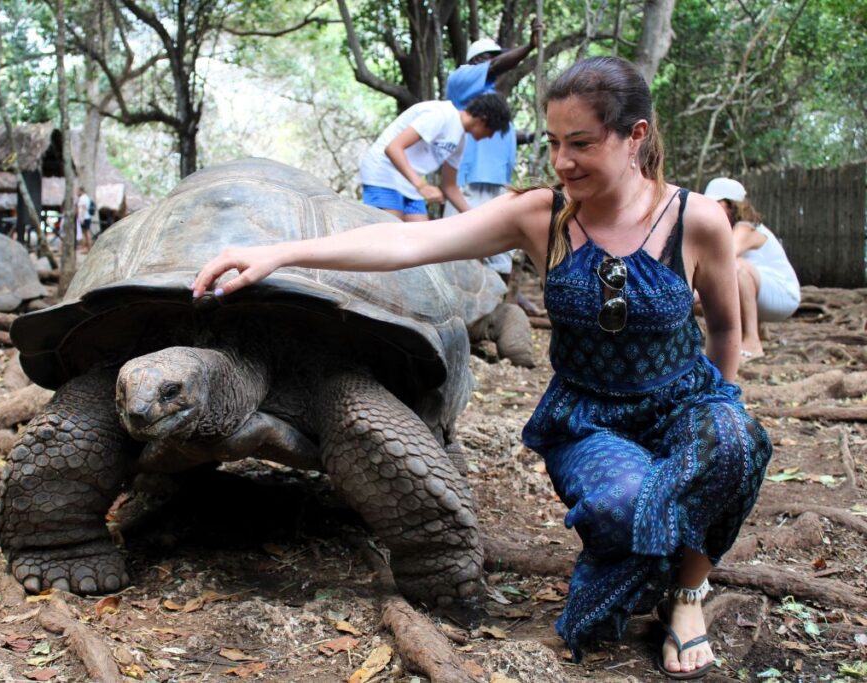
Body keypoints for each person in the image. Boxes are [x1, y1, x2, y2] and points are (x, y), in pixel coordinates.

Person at [193, 56, 771, 679]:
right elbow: (408, 243)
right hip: (590, 417)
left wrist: (720, 411)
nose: (561, 161)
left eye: (580, 143)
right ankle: (646, 560)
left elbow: (726, 328)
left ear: (635, 136)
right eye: (552, 142)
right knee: (622, 506)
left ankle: (686, 597)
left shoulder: (698, 219)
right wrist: (281, 252)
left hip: (684, 398)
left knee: (733, 445)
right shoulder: (540, 215)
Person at [444, 23, 541, 273]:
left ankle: (499, 302)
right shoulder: (462, 79)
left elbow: (503, 137)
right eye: (493, 58)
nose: (499, 63)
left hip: (497, 180)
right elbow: (499, 65)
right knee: (456, 243)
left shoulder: (491, 96)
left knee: (500, 247)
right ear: (479, 60)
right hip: (469, 178)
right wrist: (530, 47)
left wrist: (534, 136)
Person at [358, 93, 512, 222]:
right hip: (383, 172)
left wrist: (476, 218)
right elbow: (393, 148)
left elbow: (449, 186)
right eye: (493, 131)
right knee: (389, 233)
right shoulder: (441, 115)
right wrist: (421, 186)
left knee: (420, 241)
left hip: (409, 184)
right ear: (483, 120)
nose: (491, 137)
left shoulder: (460, 140)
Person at [703, 177, 800, 359]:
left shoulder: (746, 229)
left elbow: (723, 261)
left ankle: (752, 342)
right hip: (763, 295)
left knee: (738, 268)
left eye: (716, 204)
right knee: (697, 297)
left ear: (732, 206)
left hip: (784, 296)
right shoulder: (725, 232)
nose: (710, 209)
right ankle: (758, 330)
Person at [75, 186, 94, 251]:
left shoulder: (82, 198)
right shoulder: (86, 197)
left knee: (85, 233)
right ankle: (88, 248)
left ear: (81, 191)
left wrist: (81, 218)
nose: (76, 192)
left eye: (77, 191)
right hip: (87, 217)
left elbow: (83, 208)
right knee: (86, 233)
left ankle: (86, 248)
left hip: (84, 217)